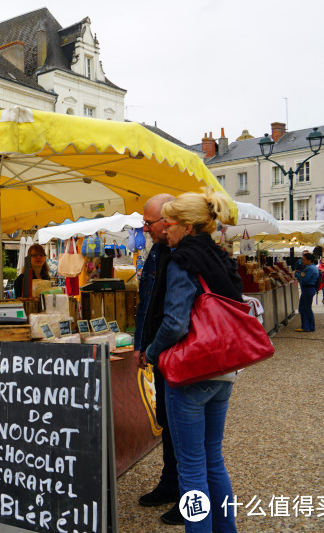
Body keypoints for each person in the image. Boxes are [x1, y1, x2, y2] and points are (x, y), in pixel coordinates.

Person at [144, 189, 242, 533]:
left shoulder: (180, 259)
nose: (163, 231)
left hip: (190, 372)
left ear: (186, 227)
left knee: (191, 469)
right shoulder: (220, 256)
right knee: (214, 461)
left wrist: (152, 353)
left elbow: (174, 323)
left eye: (167, 224)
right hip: (223, 369)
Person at [132, 193, 183, 526]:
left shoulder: (187, 255)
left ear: (169, 221)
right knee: (168, 421)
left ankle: (190, 500)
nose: (146, 229)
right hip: (162, 354)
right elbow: (145, 302)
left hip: (184, 358)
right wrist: (141, 345)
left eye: (149, 223)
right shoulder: (157, 253)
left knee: (186, 434)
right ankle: (170, 483)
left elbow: (177, 320)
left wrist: (150, 348)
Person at [294, 253, 319, 332]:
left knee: (304, 308)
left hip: (308, 289)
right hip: (309, 289)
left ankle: (306, 326)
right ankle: (310, 326)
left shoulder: (310, 268)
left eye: (304, 259)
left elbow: (304, 279)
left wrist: (296, 274)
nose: (302, 261)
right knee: (305, 308)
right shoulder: (312, 267)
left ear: (309, 260)